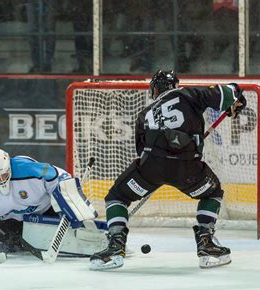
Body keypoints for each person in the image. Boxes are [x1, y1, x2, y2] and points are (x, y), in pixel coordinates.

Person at [90, 70, 247, 271]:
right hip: (188, 170)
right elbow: (231, 91)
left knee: (117, 196)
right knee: (213, 192)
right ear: (174, 86)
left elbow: (141, 150)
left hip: (150, 170)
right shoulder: (189, 95)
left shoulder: (144, 113)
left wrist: (157, 172)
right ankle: (206, 244)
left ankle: (115, 246)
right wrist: (237, 100)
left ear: (155, 89)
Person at [0, 149, 104, 261]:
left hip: (46, 210)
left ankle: (104, 242)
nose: (1, 179)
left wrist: (68, 199)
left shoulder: (28, 170)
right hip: (12, 220)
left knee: (75, 234)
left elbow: (60, 175)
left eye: (4, 174)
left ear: (9, 166)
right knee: (12, 245)